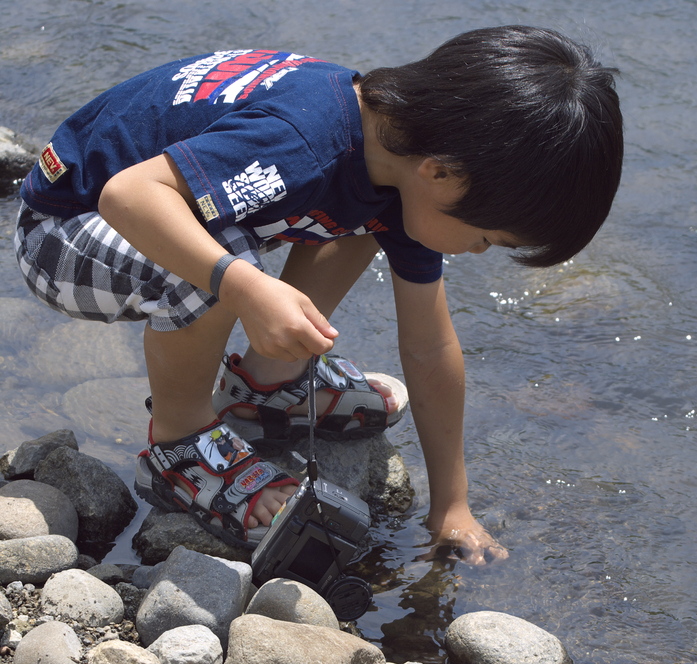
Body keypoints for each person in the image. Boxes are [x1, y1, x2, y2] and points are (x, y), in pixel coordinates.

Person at [15, 26, 623, 563]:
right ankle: (182, 443)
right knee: (219, 261)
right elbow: (128, 195)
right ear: (440, 172)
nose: (480, 252)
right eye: (487, 238)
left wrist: (452, 505)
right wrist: (244, 286)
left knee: (356, 223)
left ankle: (266, 386)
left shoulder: (394, 156)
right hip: (66, 230)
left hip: (143, 212)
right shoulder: (303, 141)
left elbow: (431, 348)